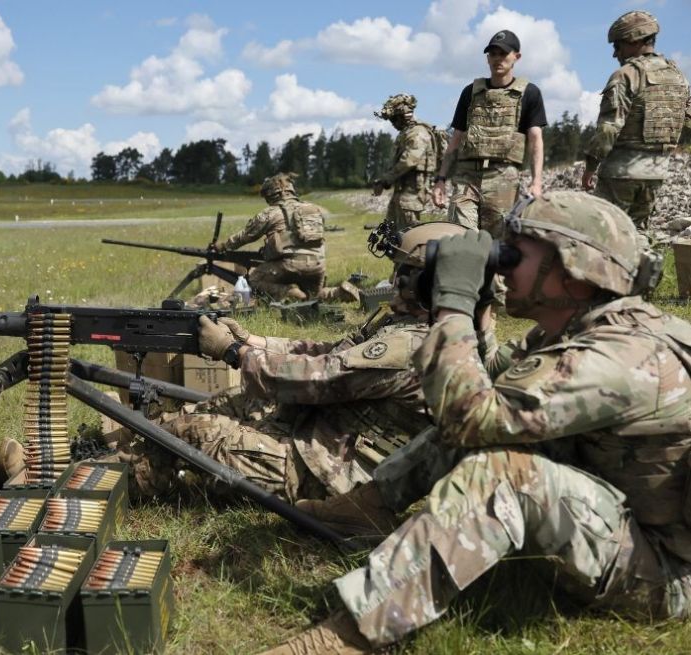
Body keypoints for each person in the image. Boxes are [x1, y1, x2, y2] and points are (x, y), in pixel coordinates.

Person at [258, 191, 691, 655]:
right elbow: (480, 381)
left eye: (516, 255)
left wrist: (454, 305)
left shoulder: (620, 359)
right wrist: (479, 309)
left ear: (576, 274)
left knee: (506, 474)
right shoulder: (582, 329)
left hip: (661, 575)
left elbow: (469, 415)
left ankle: (355, 634)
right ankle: (367, 509)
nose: (502, 266)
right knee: (488, 420)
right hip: (620, 516)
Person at [95, 222, 473, 506]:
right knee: (230, 402)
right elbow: (326, 351)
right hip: (323, 431)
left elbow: (320, 378)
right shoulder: (413, 325)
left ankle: (103, 487)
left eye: (404, 273)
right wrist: (250, 340)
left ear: (431, 283)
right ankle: (133, 455)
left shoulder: (412, 343)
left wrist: (233, 352)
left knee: (193, 433)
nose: (394, 280)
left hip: (325, 471)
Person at [582, 10, 691, 232]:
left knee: (605, 235)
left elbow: (608, 129)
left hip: (620, 174)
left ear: (634, 40)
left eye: (618, 45)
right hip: (656, 173)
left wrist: (590, 167)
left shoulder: (626, 75)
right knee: (638, 235)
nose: (615, 53)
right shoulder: (678, 76)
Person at [432, 30, 547, 236]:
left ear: (516, 57)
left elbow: (535, 140)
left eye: (503, 54)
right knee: (461, 238)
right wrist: (440, 179)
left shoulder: (530, 93)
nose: (497, 59)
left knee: (498, 245)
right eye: (493, 54)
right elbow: (456, 139)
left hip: (503, 178)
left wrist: (536, 182)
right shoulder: (471, 92)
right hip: (466, 176)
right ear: (487, 58)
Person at [215, 173, 327, 302]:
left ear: (271, 195)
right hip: (318, 267)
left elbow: (245, 236)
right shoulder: (314, 209)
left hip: (289, 266)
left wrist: (223, 246)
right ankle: (337, 293)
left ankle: (290, 292)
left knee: (253, 281)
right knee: (314, 298)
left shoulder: (270, 213)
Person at [373, 94, 439, 231]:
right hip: (402, 190)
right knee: (392, 232)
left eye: (394, 120)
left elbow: (409, 160)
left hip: (411, 193)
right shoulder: (406, 133)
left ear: (402, 116)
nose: (393, 123)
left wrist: (386, 180)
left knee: (408, 235)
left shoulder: (418, 133)